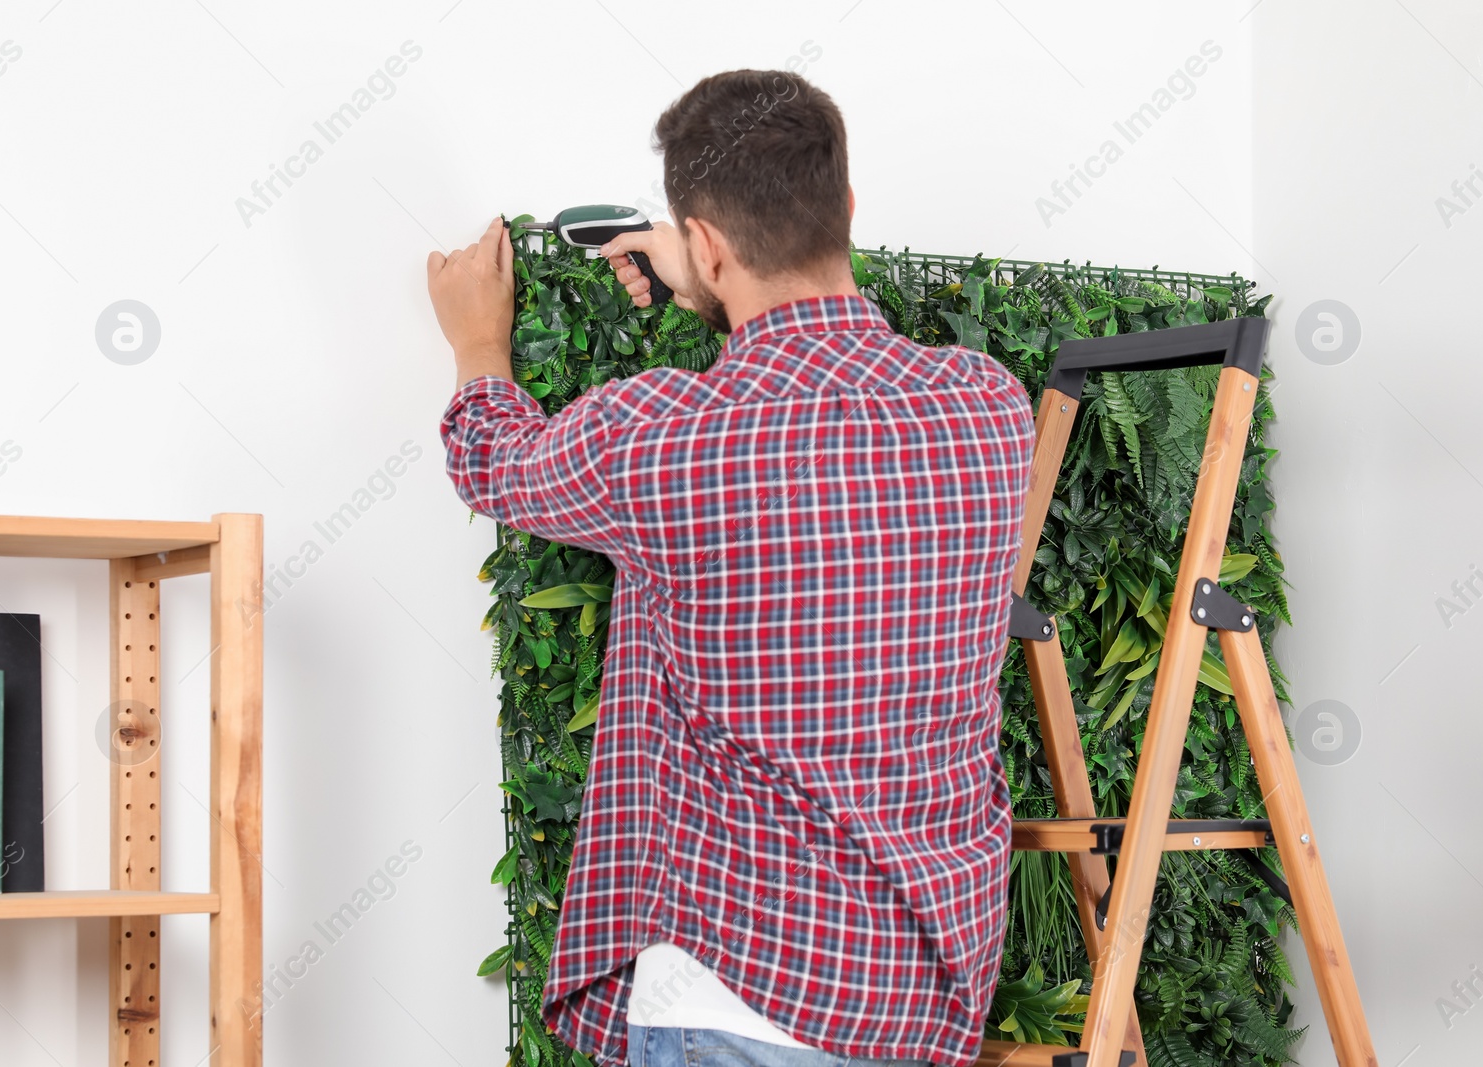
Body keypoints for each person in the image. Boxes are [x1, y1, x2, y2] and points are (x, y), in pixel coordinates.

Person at [427, 69, 1035, 1067]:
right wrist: (723, 281)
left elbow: (494, 463)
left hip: (745, 995)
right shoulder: (985, 407)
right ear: (844, 205)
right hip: (924, 994)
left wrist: (479, 339)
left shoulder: (662, 437)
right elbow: (816, 428)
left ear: (701, 241)